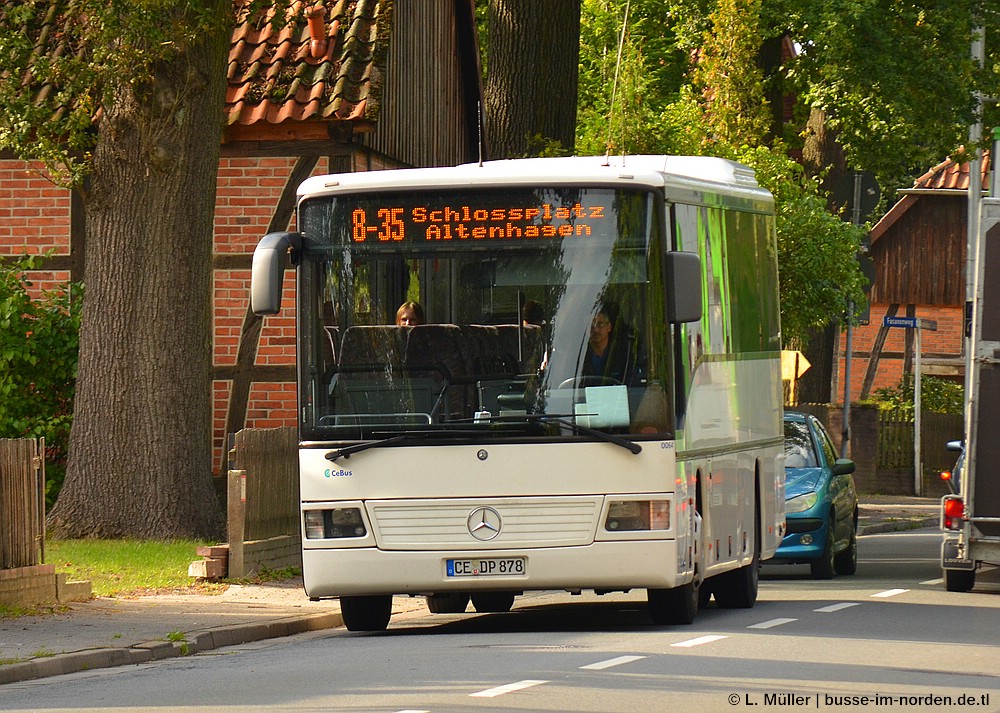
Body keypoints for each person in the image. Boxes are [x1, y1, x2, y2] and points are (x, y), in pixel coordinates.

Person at [582, 305, 635, 384]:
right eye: (591, 325)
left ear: (609, 327)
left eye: (600, 324)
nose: (595, 330)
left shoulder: (623, 355)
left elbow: (632, 384)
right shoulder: (580, 355)